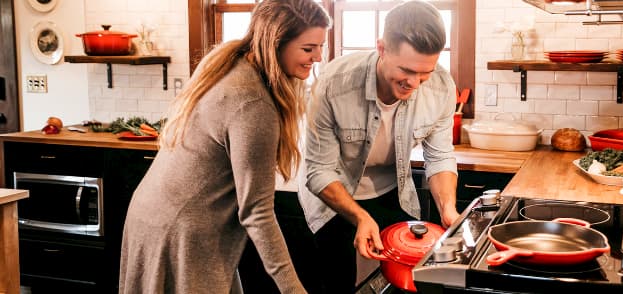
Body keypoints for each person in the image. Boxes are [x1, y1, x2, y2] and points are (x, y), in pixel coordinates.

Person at [118, 1, 330, 293]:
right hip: (179, 232)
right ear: (275, 42)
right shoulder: (252, 102)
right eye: (308, 49)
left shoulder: (236, 64)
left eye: (320, 47)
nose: (317, 57)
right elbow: (257, 212)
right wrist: (293, 289)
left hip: (159, 218)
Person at [298, 1, 460, 292]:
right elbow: (319, 170)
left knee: (408, 280)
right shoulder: (334, 83)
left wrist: (448, 209)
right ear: (382, 48)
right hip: (333, 194)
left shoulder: (441, 87)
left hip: (393, 192)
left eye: (425, 72)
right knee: (337, 281)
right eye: (407, 70)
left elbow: (440, 157)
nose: (415, 83)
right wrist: (360, 217)